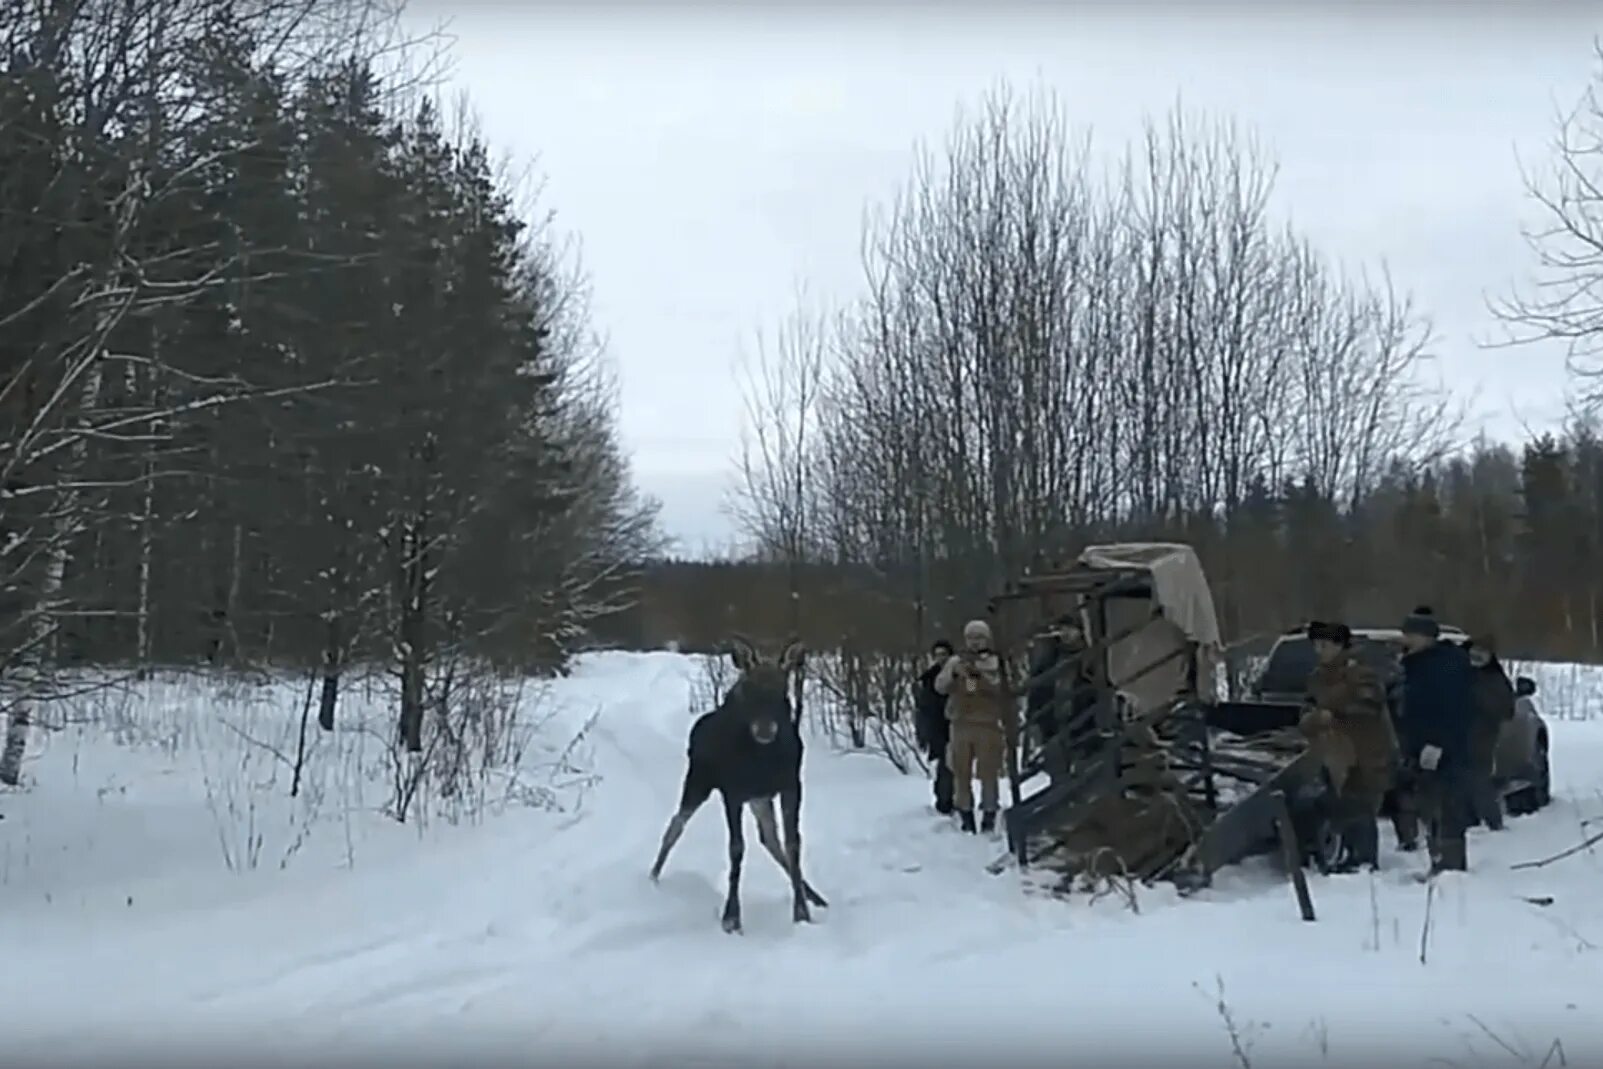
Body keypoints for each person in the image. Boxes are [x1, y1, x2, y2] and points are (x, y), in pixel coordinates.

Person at [1301, 621, 1397, 872]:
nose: (1319, 650)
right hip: (1334, 752)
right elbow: (1307, 711)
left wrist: (1336, 713)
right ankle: (1346, 853)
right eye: (1316, 645)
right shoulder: (1316, 677)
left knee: (1360, 805)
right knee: (1340, 804)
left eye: (1324, 645)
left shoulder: (1361, 673)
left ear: (1339, 646)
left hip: (1365, 750)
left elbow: (1371, 705)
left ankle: (1363, 860)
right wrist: (1314, 720)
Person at [1394, 606, 1476, 876]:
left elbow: (1454, 709)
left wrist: (1438, 744)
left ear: (1428, 638)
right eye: (1406, 634)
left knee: (1447, 807)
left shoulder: (1444, 666)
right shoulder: (1414, 665)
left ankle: (1451, 867)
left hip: (1445, 750)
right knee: (1429, 807)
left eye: (1412, 635)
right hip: (1422, 748)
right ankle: (1439, 862)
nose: (1406, 640)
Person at [934, 618, 1018, 835]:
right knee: (960, 772)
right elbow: (941, 687)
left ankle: (989, 812)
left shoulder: (996, 661)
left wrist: (978, 678)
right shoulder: (956, 661)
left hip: (988, 724)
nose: (974, 642)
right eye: (970, 638)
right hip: (961, 723)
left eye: (979, 637)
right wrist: (955, 675)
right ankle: (966, 813)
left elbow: (1003, 689)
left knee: (988, 772)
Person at [1465, 636, 1514, 831]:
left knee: (1478, 777)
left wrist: (1478, 703)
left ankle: (1492, 820)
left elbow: (1505, 709)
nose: (1476, 658)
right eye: (1473, 654)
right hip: (1456, 733)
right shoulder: (1458, 674)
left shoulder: (1495, 678)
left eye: (1481, 654)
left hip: (1482, 734)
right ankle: (1468, 818)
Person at [913, 638, 956, 815]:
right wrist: (922, 733)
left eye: (944, 654)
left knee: (957, 768)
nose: (941, 658)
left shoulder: (962, 673)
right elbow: (923, 708)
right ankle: (944, 801)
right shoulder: (929, 678)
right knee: (945, 767)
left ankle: (960, 803)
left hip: (959, 725)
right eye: (937, 655)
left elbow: (972, 691)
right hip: (938, 728)